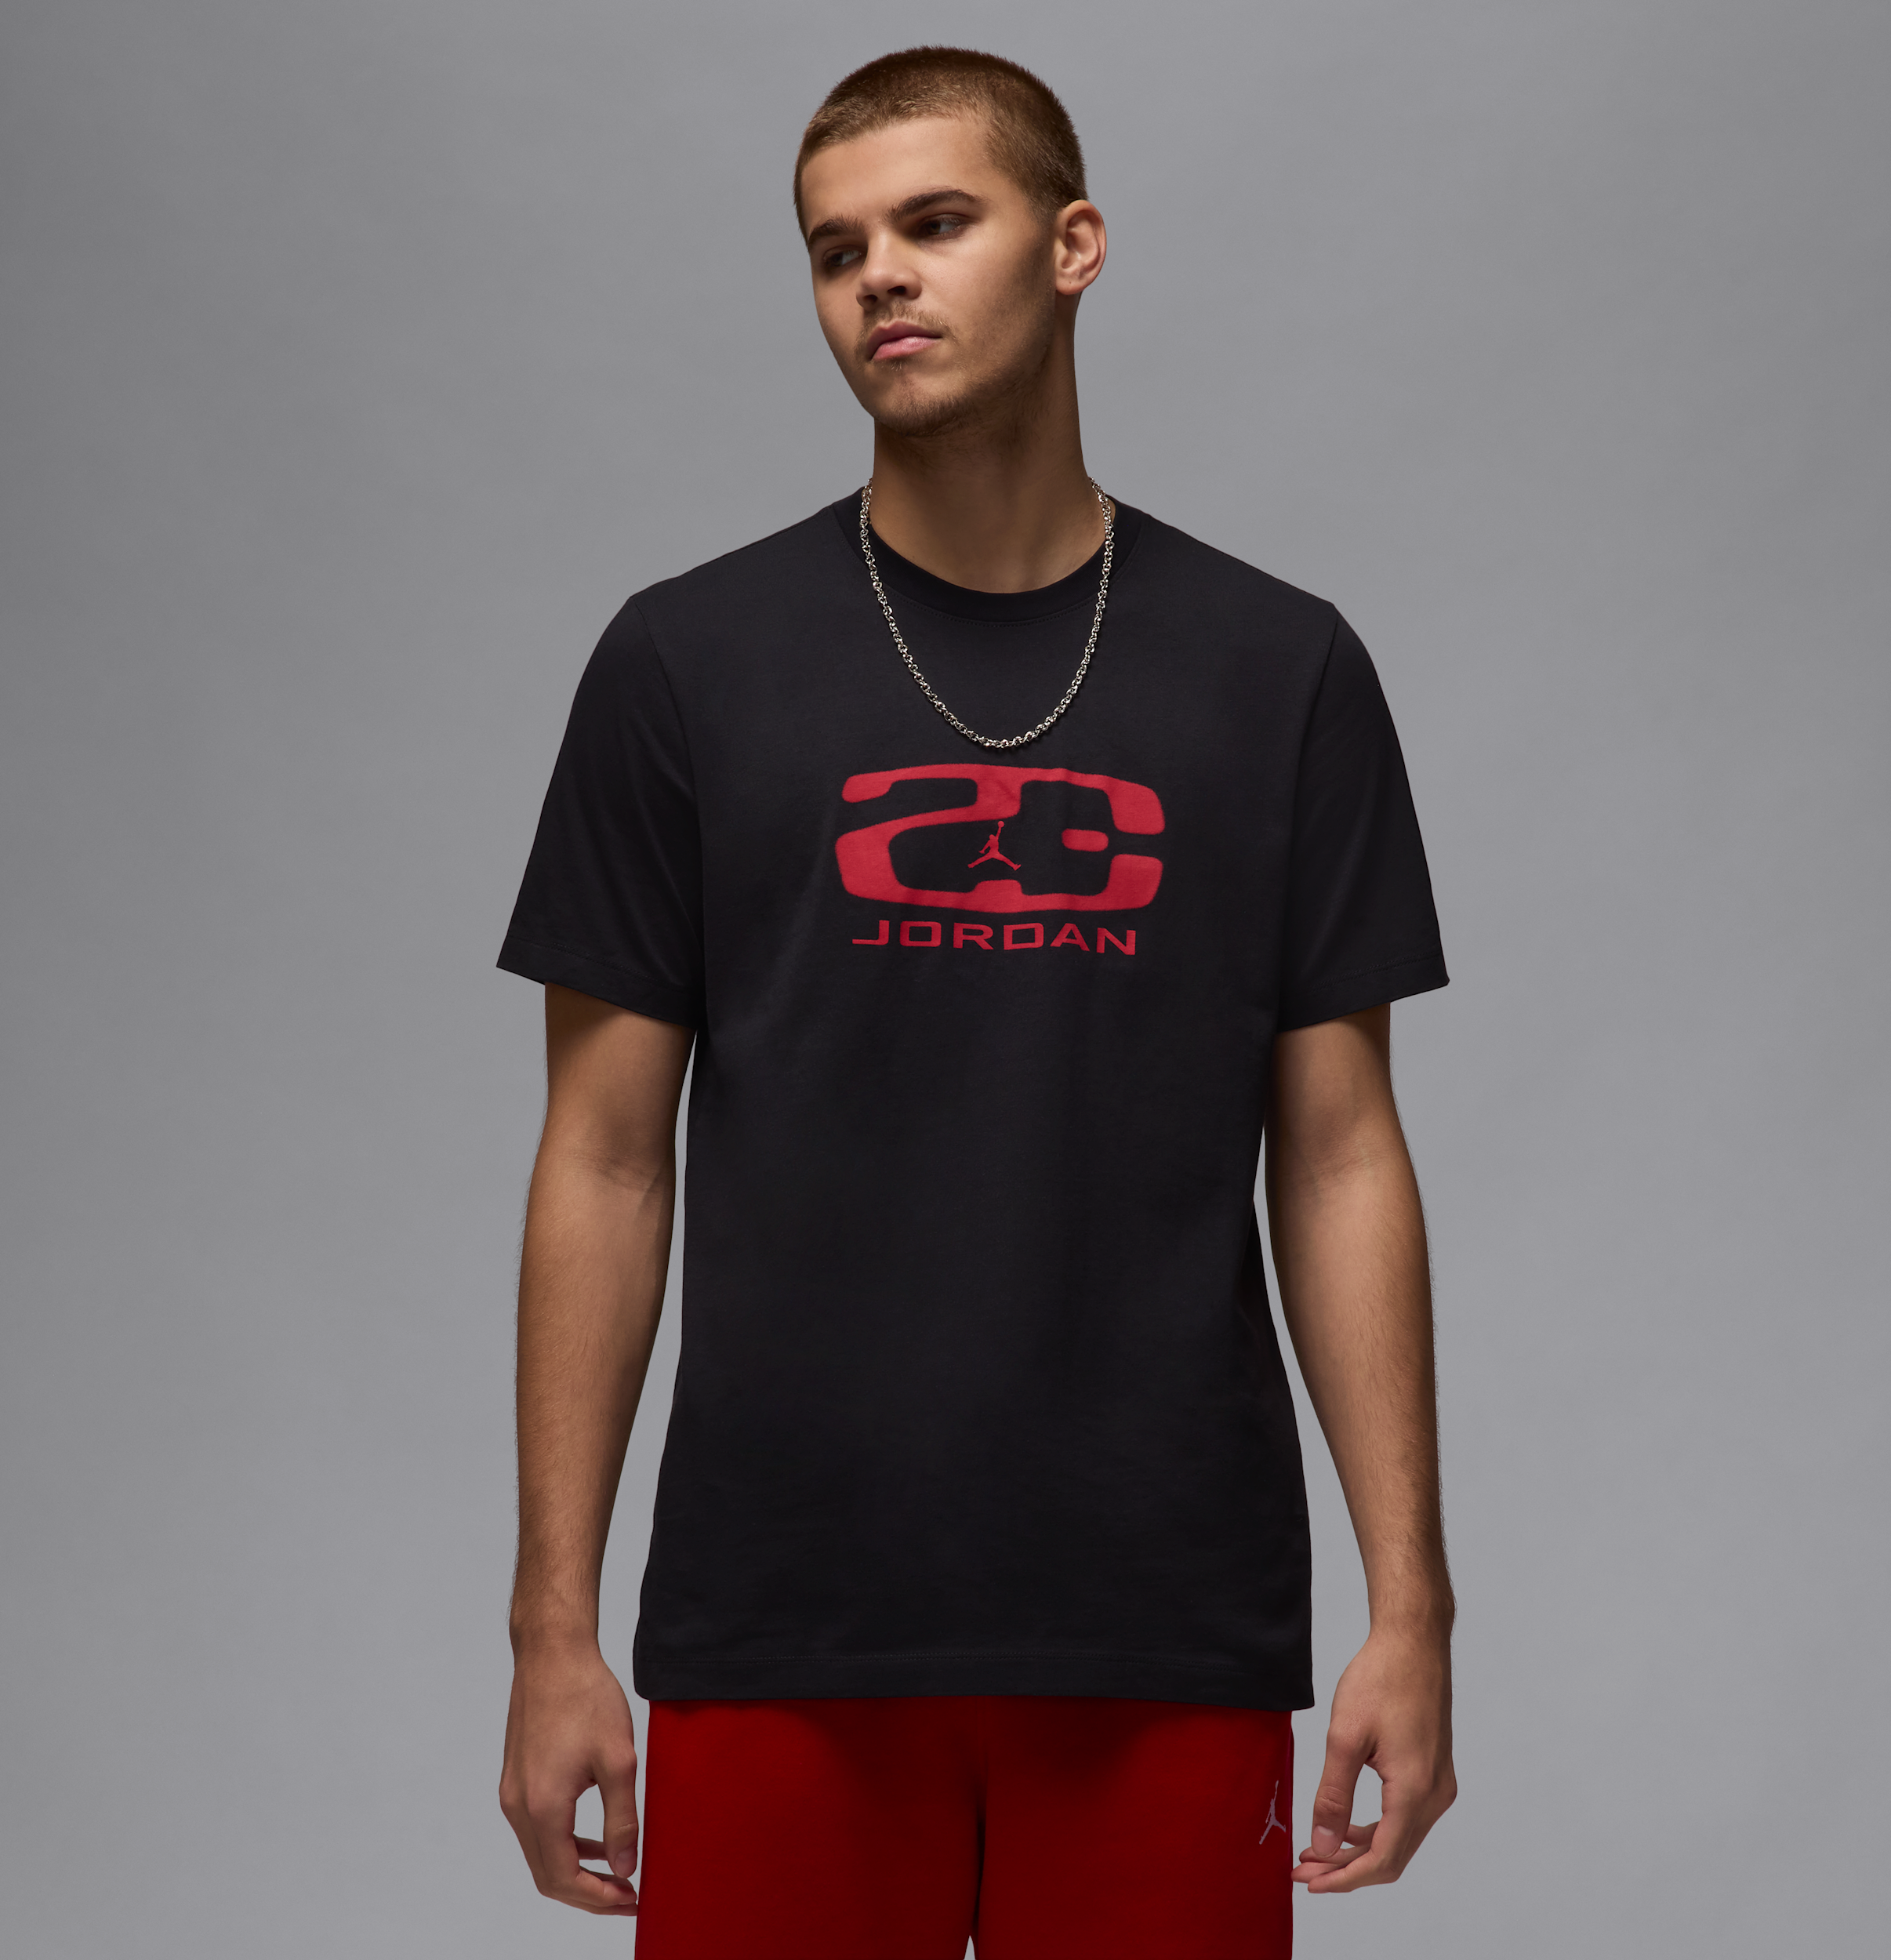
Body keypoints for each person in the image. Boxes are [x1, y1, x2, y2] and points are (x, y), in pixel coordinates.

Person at [495, 45, 1456, 1960]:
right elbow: (601, 1160)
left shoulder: (1277, 669)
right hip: (781, 1618)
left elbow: (1341, 1154)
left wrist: (1410, 1603)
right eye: (834, 247)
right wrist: (550, 1626)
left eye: (935, 223)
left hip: (1161, 1615)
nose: (880, 277)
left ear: (1071, 243)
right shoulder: (685, 662)